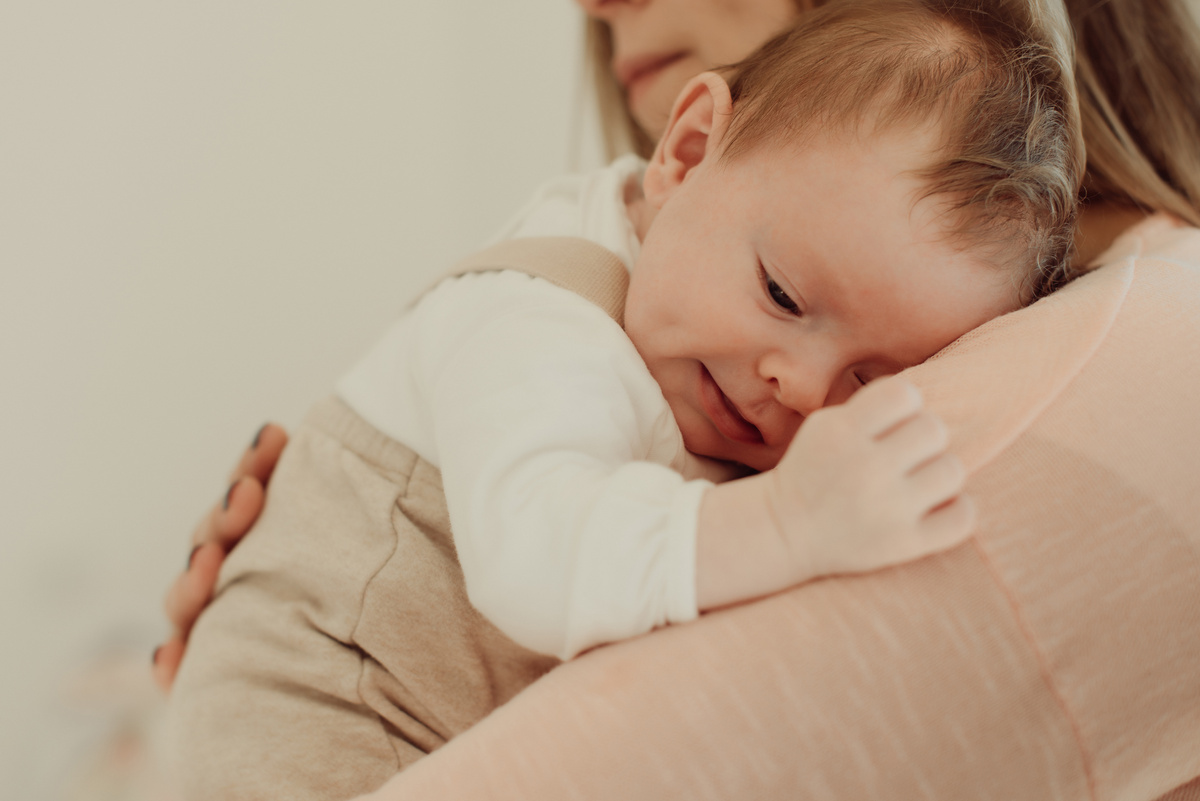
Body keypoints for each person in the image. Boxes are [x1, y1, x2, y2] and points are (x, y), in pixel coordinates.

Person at [157, 0, 1200, 797]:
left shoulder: (1120, 344)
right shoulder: (543, 316)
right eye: (784, 295)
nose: (804, 389)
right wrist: (784, 519)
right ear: (690, 152)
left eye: (872, 386)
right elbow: (537, 552)